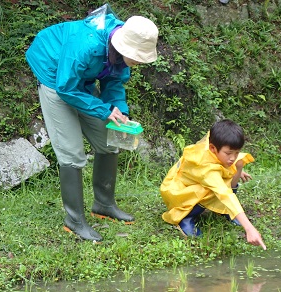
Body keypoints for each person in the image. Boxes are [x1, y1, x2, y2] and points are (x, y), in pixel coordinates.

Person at [25, 4, 158, 242]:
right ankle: (74, 221)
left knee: (109, 141)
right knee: (72, 153)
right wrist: (104, 109)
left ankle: (103, 204)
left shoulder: (118, 50)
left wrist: (119, 111)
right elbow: (66, 88)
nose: (138, 62)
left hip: (77, 79)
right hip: (54, 74)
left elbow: (114, 83)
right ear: (122, 45)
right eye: (136, 58)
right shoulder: (86, 45)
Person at [160, 119, 266, 250]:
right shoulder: (206, 169)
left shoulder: (214, 144)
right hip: (178, 191)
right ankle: (186, 218)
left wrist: (238, 169)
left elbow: (227, 164)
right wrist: (249, 228)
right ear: (213, 148)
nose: (233, 157)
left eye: (236, 153)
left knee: (236, 165)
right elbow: (225, 194)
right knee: (211, 189)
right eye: (228, 153)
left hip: (199, 180)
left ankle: (227, 211)